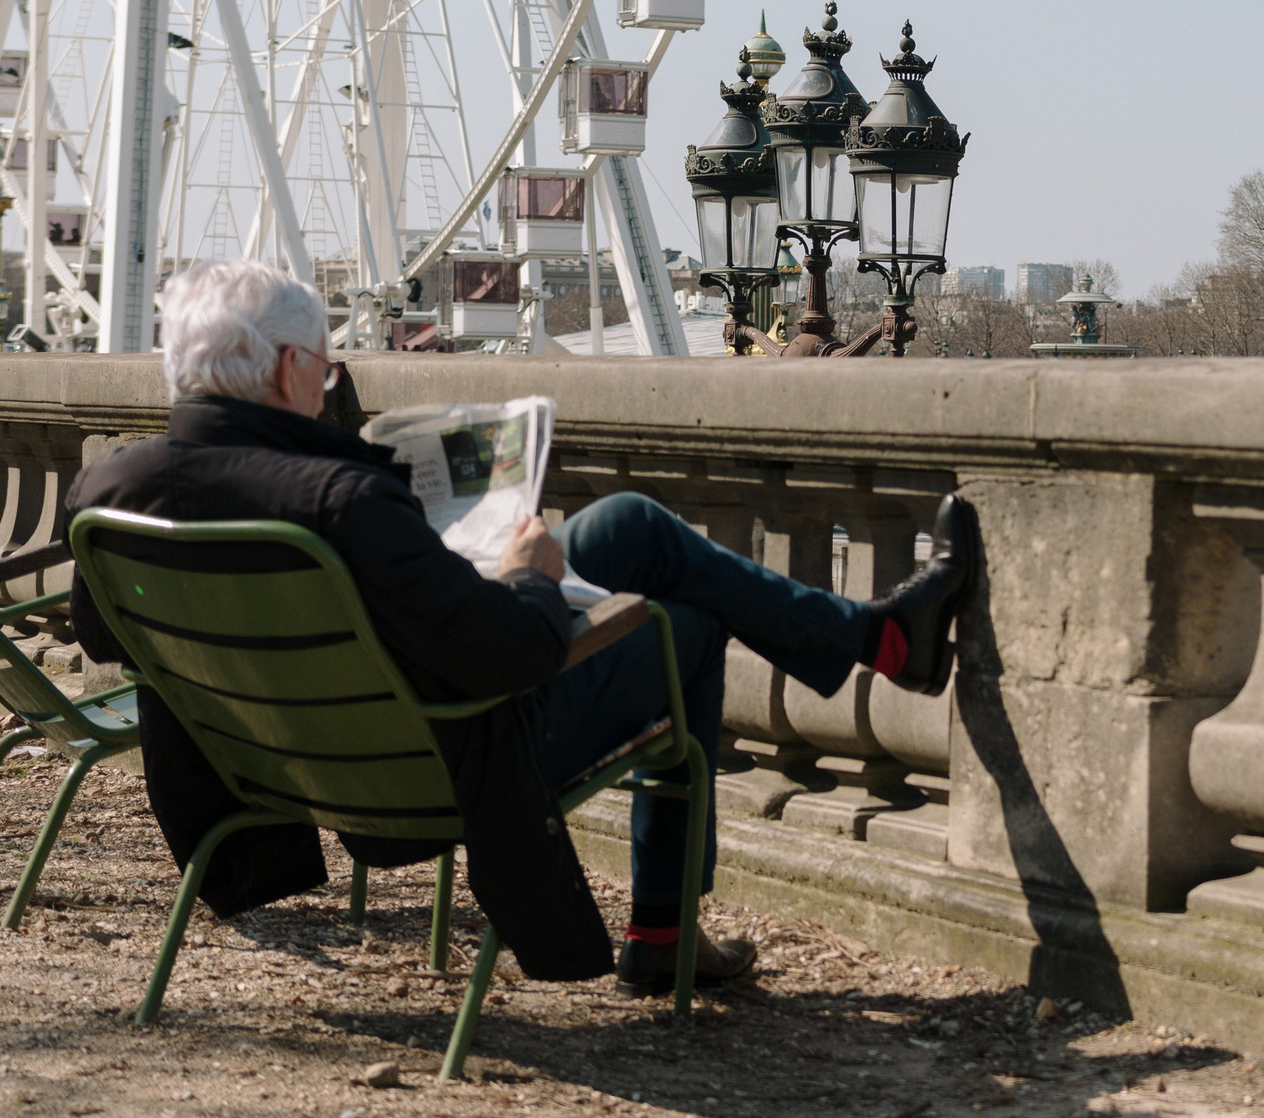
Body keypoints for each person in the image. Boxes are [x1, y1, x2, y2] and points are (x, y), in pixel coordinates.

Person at [65, 261, 977, 997]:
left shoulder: (112, 491)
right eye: (327, 362)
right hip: (444, 768)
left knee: (627, 525)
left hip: (289, 760)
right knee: (687, 628)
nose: (331, 380)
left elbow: (110, 642)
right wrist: (528, 578)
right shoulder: (336, 499)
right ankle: (666, 925)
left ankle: (880, 642)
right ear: (284, 368)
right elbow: (510, 656)